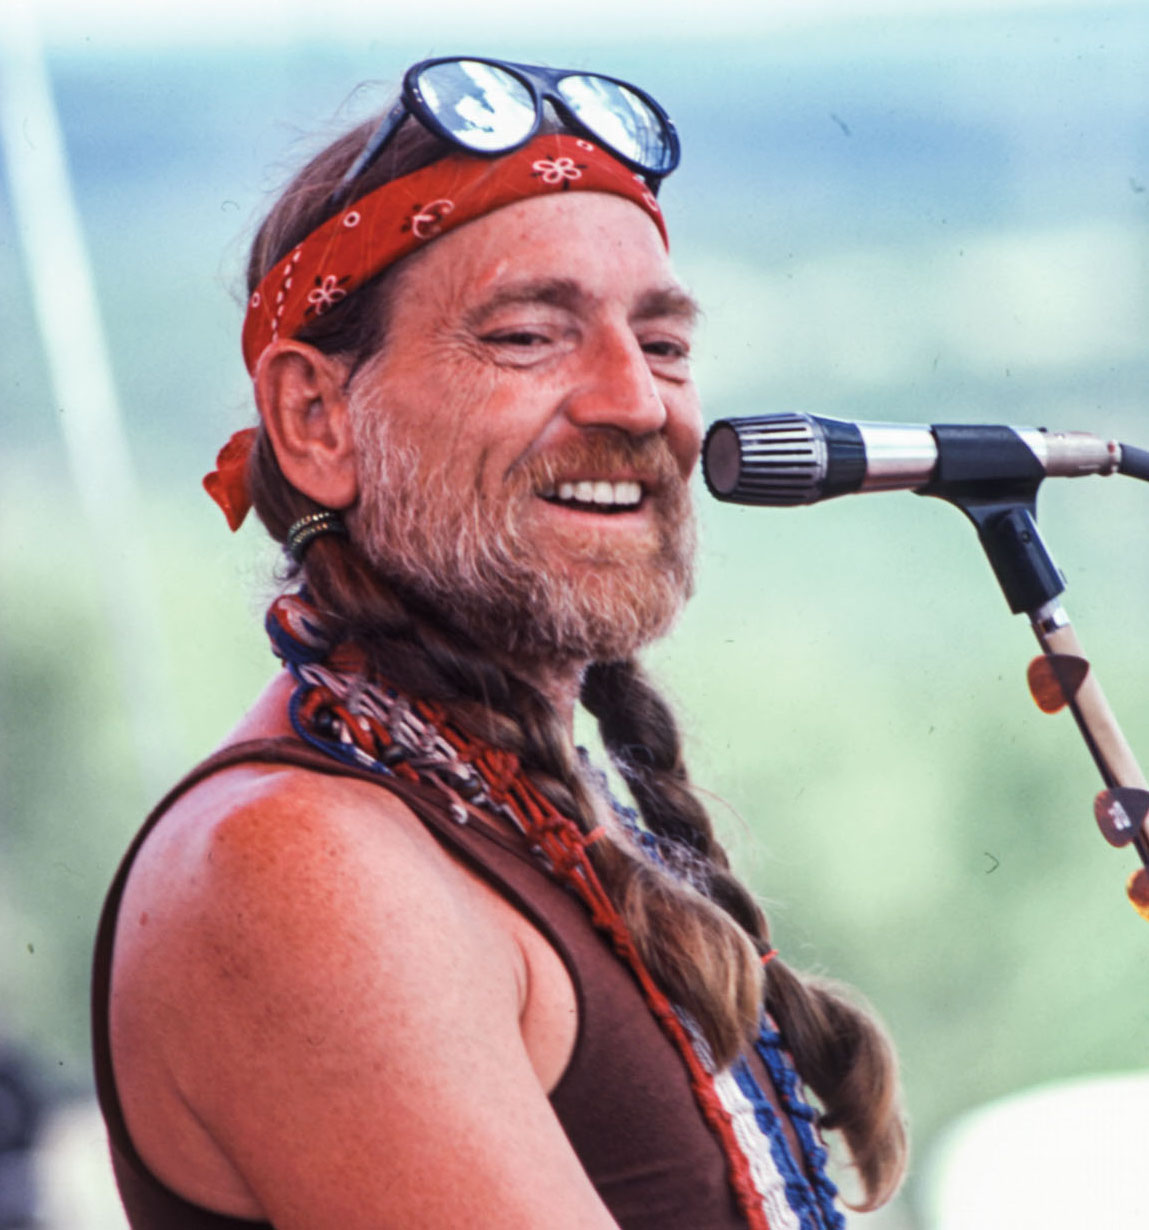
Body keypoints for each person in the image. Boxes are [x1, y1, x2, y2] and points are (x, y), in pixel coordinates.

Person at [92, 58, 907, 1229]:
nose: (637, 403)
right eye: (529, 336)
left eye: (666, 345)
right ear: (317, 420)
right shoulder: (295, 862)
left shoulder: (503, 807)